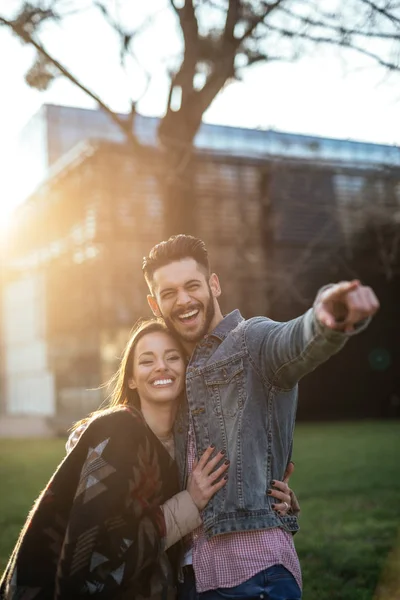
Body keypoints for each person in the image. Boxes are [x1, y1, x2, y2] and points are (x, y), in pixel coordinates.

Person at [142, 234, 380, 600]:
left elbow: (295, 341)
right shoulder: (173, 371)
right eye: (169, 292)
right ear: (154, 304)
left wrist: (328, 315)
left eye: (192, 286)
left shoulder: (251, 341)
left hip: (253, 575)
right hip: (190, 579)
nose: (184, 300)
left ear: (214, 284)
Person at [0, 319, 231, 600]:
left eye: (172, 357)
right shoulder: (119, 430)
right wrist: (189, 503)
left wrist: (278, 497)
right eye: (147, 361)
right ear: (131, 378)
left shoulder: (185, 445)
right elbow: (98, 555)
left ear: (187, 369)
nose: (161, 366)